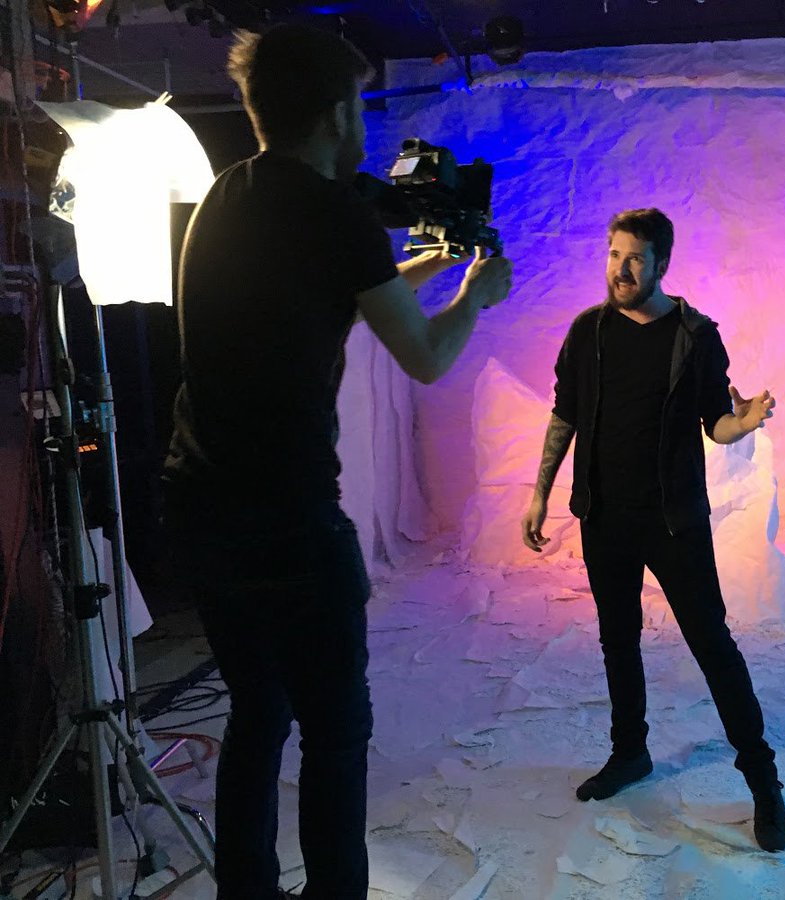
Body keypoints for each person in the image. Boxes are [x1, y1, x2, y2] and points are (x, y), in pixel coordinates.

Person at [162, 24, 511, 899]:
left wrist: (417, 266)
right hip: (289, 518)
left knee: (258, 713)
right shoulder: (333, 215)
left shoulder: (224, 199)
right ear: (333, 115)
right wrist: (474, 293)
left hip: (202, 505)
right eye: (357, 106)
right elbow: (426, 355)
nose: (364, 126)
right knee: (336, 730)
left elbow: (315, 309)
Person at [520, 208, 785, 852]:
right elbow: (565, 416)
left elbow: (715, 424)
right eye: (614, 255)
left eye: (635, 258)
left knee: (712, 646)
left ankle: (763, 781)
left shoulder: (696, 337)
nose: (621, 268)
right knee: (618, 640)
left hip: (673, 523)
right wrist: (539, 493)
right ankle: (630, 753)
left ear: (661, 264)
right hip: (605, 516)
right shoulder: (587, 332)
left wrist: (746, 421)